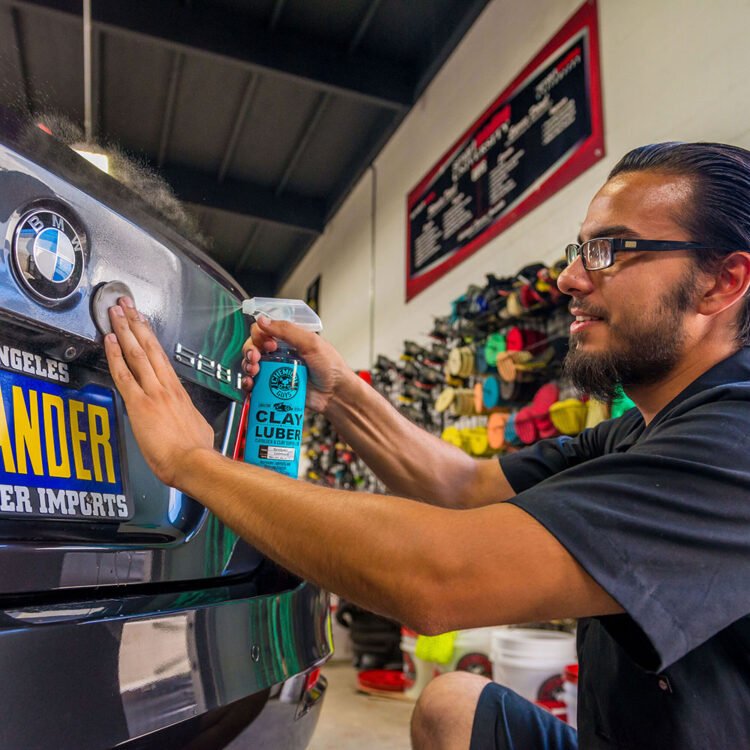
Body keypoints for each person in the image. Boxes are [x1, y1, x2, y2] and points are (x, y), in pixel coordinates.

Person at [104, 142, 750, 749]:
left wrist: (193, 462)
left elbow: (439, 578)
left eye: (609, 250)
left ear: (721, 282)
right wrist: (339, 395)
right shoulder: (639, 431)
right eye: (578, 250)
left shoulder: (735, 442)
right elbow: (463, 490)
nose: (569, 279)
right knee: (453, 704)